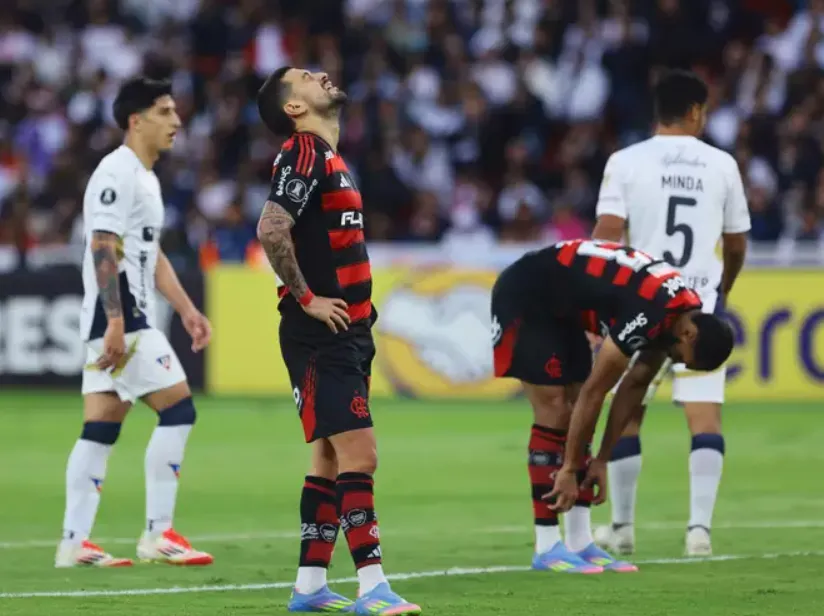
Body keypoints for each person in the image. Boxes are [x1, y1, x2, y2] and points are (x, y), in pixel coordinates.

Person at [255, 67, 421, 615]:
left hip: (349, 331)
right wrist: (306, 299)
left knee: (328, 456)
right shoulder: (304, 150)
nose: (321, 75)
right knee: (361, 454)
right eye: (305, 76)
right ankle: (372, 586)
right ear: (294, 107)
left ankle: (308, 586)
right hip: (320, 332)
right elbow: (271, 228)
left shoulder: (327, 158)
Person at [491, 238, 734, 573]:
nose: (678, 362)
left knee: (576, 406)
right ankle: (547, 545)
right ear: (690, 335)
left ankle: (579, 541)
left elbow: (633, 386)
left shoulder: (678, 316)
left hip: (564, 310)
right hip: (527, 295)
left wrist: (602, 459)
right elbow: (598, 392)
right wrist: (569, 469)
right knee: (557, 409)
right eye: (684, 359)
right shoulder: (654, 312)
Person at [590, 69, 750, 556]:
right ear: (697, 111)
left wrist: (602, 302)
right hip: (697, 311)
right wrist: (722, 288)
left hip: (642, 307)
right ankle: (698, 531)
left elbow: (606, 234)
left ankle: (622, 527)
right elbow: (737, 242)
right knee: (705, 418)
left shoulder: (626, 161)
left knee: (629, 414)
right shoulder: (722, 164)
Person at [56, 78, 213, 568]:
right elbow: (103, 244)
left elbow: (148, 252)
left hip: (120, 315)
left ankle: (73, 543)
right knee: (179, 409)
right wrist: (117, 322)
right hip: (123, 316)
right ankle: (158, 534)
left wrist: (187, 309)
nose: (177, 121)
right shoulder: (116, 172)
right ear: (135, 120)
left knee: (101, 426)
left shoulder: (145, 177)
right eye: (165, 111)